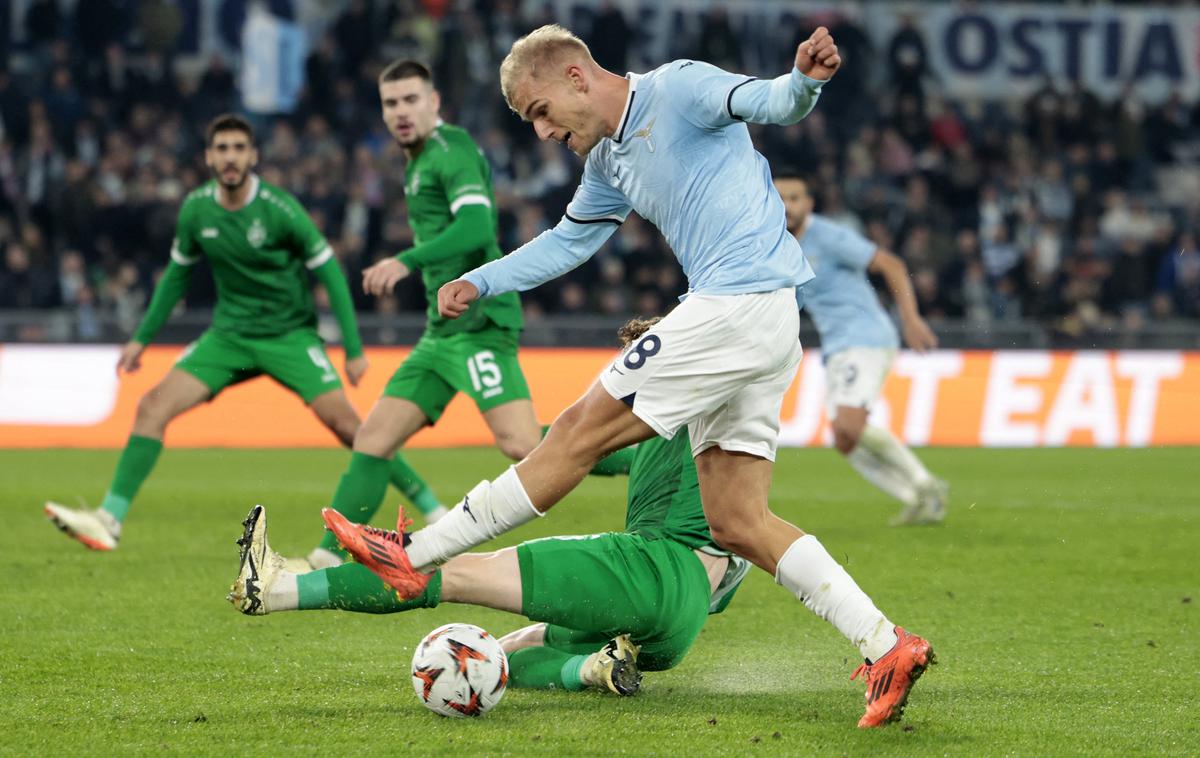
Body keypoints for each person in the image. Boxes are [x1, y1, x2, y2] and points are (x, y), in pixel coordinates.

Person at [323, 26, 935, 727]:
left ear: (577, 76)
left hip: (732, 306)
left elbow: (771, 102)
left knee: (576, 434)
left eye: (541, 111)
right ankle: (887, 646)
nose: (545, 131)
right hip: (765, 321)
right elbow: (570, 240)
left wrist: (805, 80)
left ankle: (414, 553)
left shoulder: (677, 88)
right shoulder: (609, 161)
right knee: (737, 521)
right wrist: (482, 280)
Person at [232, 317, 750, 696]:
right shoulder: (726, 452)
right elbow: (588, 454)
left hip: (650, 568)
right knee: (509, 651)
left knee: (444, 573)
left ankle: (280, 589)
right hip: (682, 625)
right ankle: (591, 669)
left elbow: (574, 445)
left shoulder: (676, 406)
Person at [43, 113, 442, 556]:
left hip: (289, 337)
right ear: (209, 157)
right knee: (151, 406)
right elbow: (177, 276)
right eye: (222, 149)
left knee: (351, 427)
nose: (230, 157)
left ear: (252, 156)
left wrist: (352, 348)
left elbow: (329, 269)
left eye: (238, 148)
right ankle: (109, 520)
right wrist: (141, 338)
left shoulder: (278, 209)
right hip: (229, 337)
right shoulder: (196, 209)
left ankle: (431, 506)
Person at [312, 60, 636, 572]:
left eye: (411, 99)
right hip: (441, 333)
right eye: (391, 103)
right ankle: (324, 560)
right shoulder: (418, 162)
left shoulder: (451, 151)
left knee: (523, 444)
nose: (401, 111)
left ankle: (644, 454)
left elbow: (476, 225)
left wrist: (405, 259)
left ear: (434, 101)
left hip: (481, 322)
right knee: (373, 438)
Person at [774, 174, 948, 525]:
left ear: (809, 204)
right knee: (843, 438)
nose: (788, 206)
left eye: (795, 197)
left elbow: (892, 265)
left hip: (865, 338)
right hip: (838, 346)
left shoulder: (828, 236)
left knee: (850, 425)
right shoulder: (777, 244)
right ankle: (915, 497)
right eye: (780, 198)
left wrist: (910, 319)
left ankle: (926, 483)